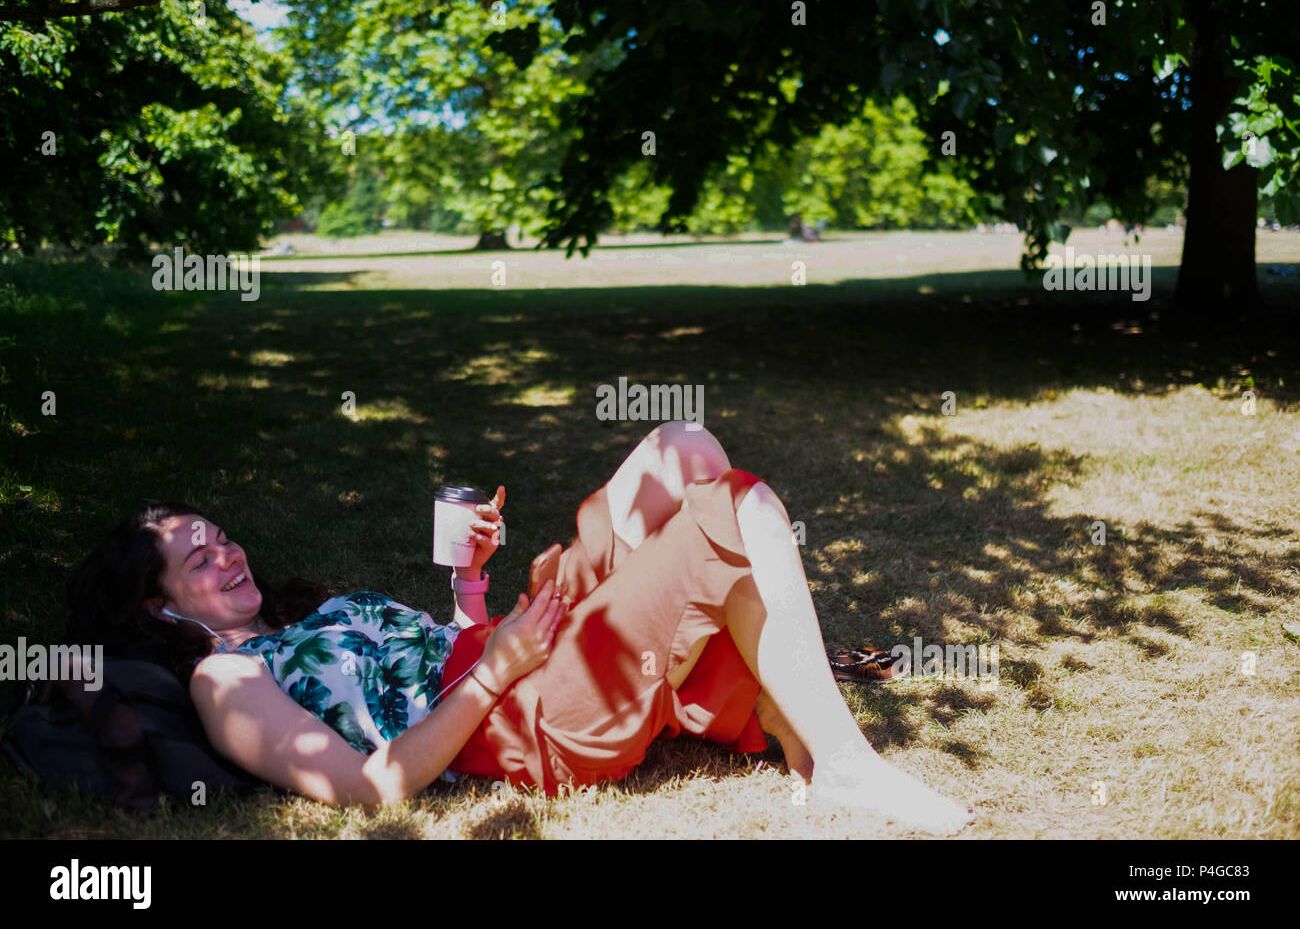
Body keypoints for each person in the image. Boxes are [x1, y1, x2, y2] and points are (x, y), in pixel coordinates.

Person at [63, 423, 972, 834]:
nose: (228, 557)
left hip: (512, 650)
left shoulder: (305, 615)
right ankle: (841, 763)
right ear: (160, 607)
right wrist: (495, 674)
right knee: (733, 506)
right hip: (522, 716)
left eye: (221, 538)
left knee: (681, 449)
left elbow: (434, 656)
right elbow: (374, 786)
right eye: (199, 561)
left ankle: (783, 700)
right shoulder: (225, 683)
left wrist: (469, 588)